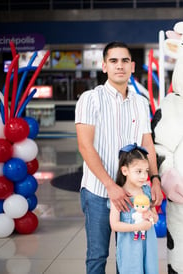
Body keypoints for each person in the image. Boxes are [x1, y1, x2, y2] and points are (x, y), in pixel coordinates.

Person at [75, 41, 163, 274]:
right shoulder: (90, 99)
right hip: (98, 191)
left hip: (134, 193)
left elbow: (147, 144)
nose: (119, 66)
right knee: (98, 255)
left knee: (129, 255)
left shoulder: (140, 103)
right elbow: (85, 146)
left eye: (125, 61)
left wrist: (155, 179)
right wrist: (110, 185)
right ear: (104, 66)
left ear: (132, 66)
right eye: (113, 61)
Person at [109, 144, 159, 274]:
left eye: (146, 171)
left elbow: (155, 216)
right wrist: (138, 227)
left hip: (148, 244)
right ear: (125, 171)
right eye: (138, 171)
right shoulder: (120, 195)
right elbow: (114, 225)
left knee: (150, 269)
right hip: (129, 246)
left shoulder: (146, 191)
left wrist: (151, 216)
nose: (144, 176)